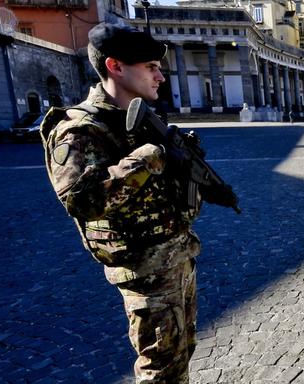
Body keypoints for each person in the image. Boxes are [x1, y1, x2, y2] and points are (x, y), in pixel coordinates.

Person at [40, 23, 201, 383]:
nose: (160, 76)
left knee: (179, 356)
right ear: (115, 66)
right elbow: (83, 200)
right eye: (150, 67)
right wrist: (149, 156)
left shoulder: (144, 121)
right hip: (144, 271)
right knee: (160, 369)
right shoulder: (79, 129)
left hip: (177, 259)